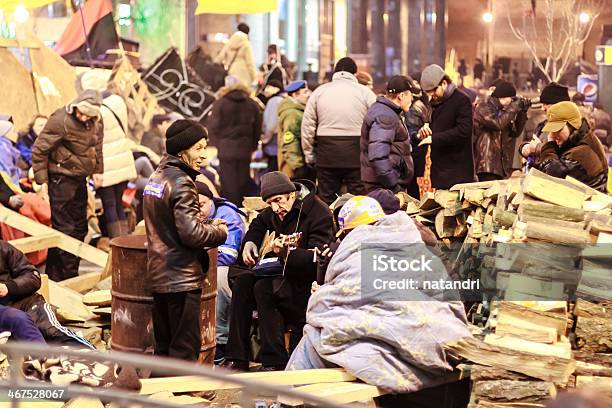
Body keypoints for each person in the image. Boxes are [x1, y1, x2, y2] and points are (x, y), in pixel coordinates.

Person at [287, 196, 471, 406]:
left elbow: (327, 306)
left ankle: (289, 400)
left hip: (396, 341)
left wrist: (320, 295)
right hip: (441, 341)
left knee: (314, 337)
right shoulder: (418, 246)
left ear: (348, 232)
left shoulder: (359, 249)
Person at [223, 172, 334, 371]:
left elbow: (318, 261)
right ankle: (236, 357)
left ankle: (274, 360)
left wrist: (286, 253)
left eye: (278, 201)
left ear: (292, 194)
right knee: (243, 281)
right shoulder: (276, 210)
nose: (275, 208)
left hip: (305, 283)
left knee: (264, 288)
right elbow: (258, 223)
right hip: (281, 274)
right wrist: (250, 242)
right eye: (270, 204)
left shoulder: (318, 212)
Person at [144, 119, 228, 361]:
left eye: (205, 147)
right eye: (198, 148)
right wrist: (218, 231)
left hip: (160, 274)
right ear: (182, 151)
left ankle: (159, 394)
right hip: (181, 278)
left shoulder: (157, 177)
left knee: (163, 349)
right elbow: (192, 233)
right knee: (184, 349)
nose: (204, 156)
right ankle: (182, 395)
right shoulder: (181, 181)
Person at [32, 90, 104, 281]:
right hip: (60, 179)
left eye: (89, 114)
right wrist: (42, 183)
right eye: (81, 112)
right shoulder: (60, 119)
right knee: (66, 229)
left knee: (80, 228)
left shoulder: (96, 120)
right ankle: (69, 278)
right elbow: (39, 150)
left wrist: (98, 170)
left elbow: (97, 146)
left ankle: (56, 276)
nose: (83, 117)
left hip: (80, 179)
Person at [301, 57, 377, 204]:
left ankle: (327, 226)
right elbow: (376, 123)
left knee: (326, 200)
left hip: (326, 154)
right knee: (358, 200)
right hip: (356, 155)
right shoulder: (365, 93)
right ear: (355, 73)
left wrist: (309, 154)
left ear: (335, 72)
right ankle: (357, 227)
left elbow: (308, 126)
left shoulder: (319, 92)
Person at [0, 240, 93, 347]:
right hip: (5, 313)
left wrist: (8, 287)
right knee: (19, 330)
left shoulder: (4, 248)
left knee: (52, 332)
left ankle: (92, 353)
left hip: (24, 303)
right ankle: (44, 359)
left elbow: (33, 277)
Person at [194, 182, 246, 365]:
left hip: (229, 268)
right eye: (192, 206)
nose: (197, 210)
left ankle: (220, 342)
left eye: (201, 205)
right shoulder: (186, 215)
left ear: (211, 201)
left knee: (219, 277)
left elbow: (229, 255)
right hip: (198, 265)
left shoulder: (228, 216)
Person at [418, 64, 475, 189]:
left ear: (444, 83)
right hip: (439, 171)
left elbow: (463, 131)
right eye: (428, 92)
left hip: (457, 172)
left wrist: (434, 139)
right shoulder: (435, 102)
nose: (431, 95)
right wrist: (426, 131)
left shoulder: (462, 100)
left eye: (433, 91)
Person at [207, 77, 262, 206]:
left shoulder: (220, 103)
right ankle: (243, 208)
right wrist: (252, 146)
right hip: (245, 148)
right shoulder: (252, 104)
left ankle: (229, 208)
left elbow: (212, 127)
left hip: (226, 149)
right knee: (243, 180)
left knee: (228, 181)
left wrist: (218, 144)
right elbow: (257, 128)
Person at [533, 101, 608, 192]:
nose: (553, 134)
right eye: (552, 130)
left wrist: (549, 145)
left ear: (573, 125)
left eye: (559, 129)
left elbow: (550, 177)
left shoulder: (581, 151)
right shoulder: (576, 141)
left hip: (590, 203)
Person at [360, 75, 417, 193]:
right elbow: (378, 156)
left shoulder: (388, 111)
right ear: (401, 96)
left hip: (384, 184)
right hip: (383, 187)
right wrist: (394, 187)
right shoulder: (385, 116)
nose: (412, 99)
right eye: (411, 95)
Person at [95, 93, 137, 238]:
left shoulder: (100, 112)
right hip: (123, 160)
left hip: (107, 163)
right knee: (118, 203)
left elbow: (97, 142)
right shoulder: (120, 105)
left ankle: (117, 243)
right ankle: (125, 242)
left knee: (109, 204)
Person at [473, 81, 528, 181]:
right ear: (503, 96)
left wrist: (522, 112)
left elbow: (515, 132)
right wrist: (514, 108)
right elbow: (497, 124)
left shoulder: (505, 111)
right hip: (486, 164)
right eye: (511, 98)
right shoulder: (484, 106)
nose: (512, 102)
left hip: (501, 166)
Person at [519, 82, 571, 162]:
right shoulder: (542, 125)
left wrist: (537, 147)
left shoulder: (567, 128)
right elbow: (533, 142)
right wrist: (524, 147)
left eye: (546, 104)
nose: (543, 108)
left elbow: (560, 156)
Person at [277, 80, 312, 180]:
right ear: (295, 94)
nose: (308, 94)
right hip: (292, 168)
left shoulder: (298, 110)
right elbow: (289, 142)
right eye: (305, 92)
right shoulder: (292, 113)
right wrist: (298, 167)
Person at [215, 23, 257, 89]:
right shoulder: (246, 44)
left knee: (231, 92)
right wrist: (254, 77)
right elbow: (250, 63)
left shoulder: (229, 43)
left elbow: (220, 57)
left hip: (231, 72)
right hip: (244, 74)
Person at [261, 79, 286, 172]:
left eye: (268, 87)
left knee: (273, 168)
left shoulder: (274, 101)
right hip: (280, 138)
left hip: (273, 140)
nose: (265, 90)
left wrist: (265, 139)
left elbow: (271, 124)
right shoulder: (283, 99)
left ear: (276, 89)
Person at [0, 118, 23, 185]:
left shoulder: (9, 147)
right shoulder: (3, 149)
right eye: (13, 131)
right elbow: (10, 174)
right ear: (5, 133)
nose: (16, 134)